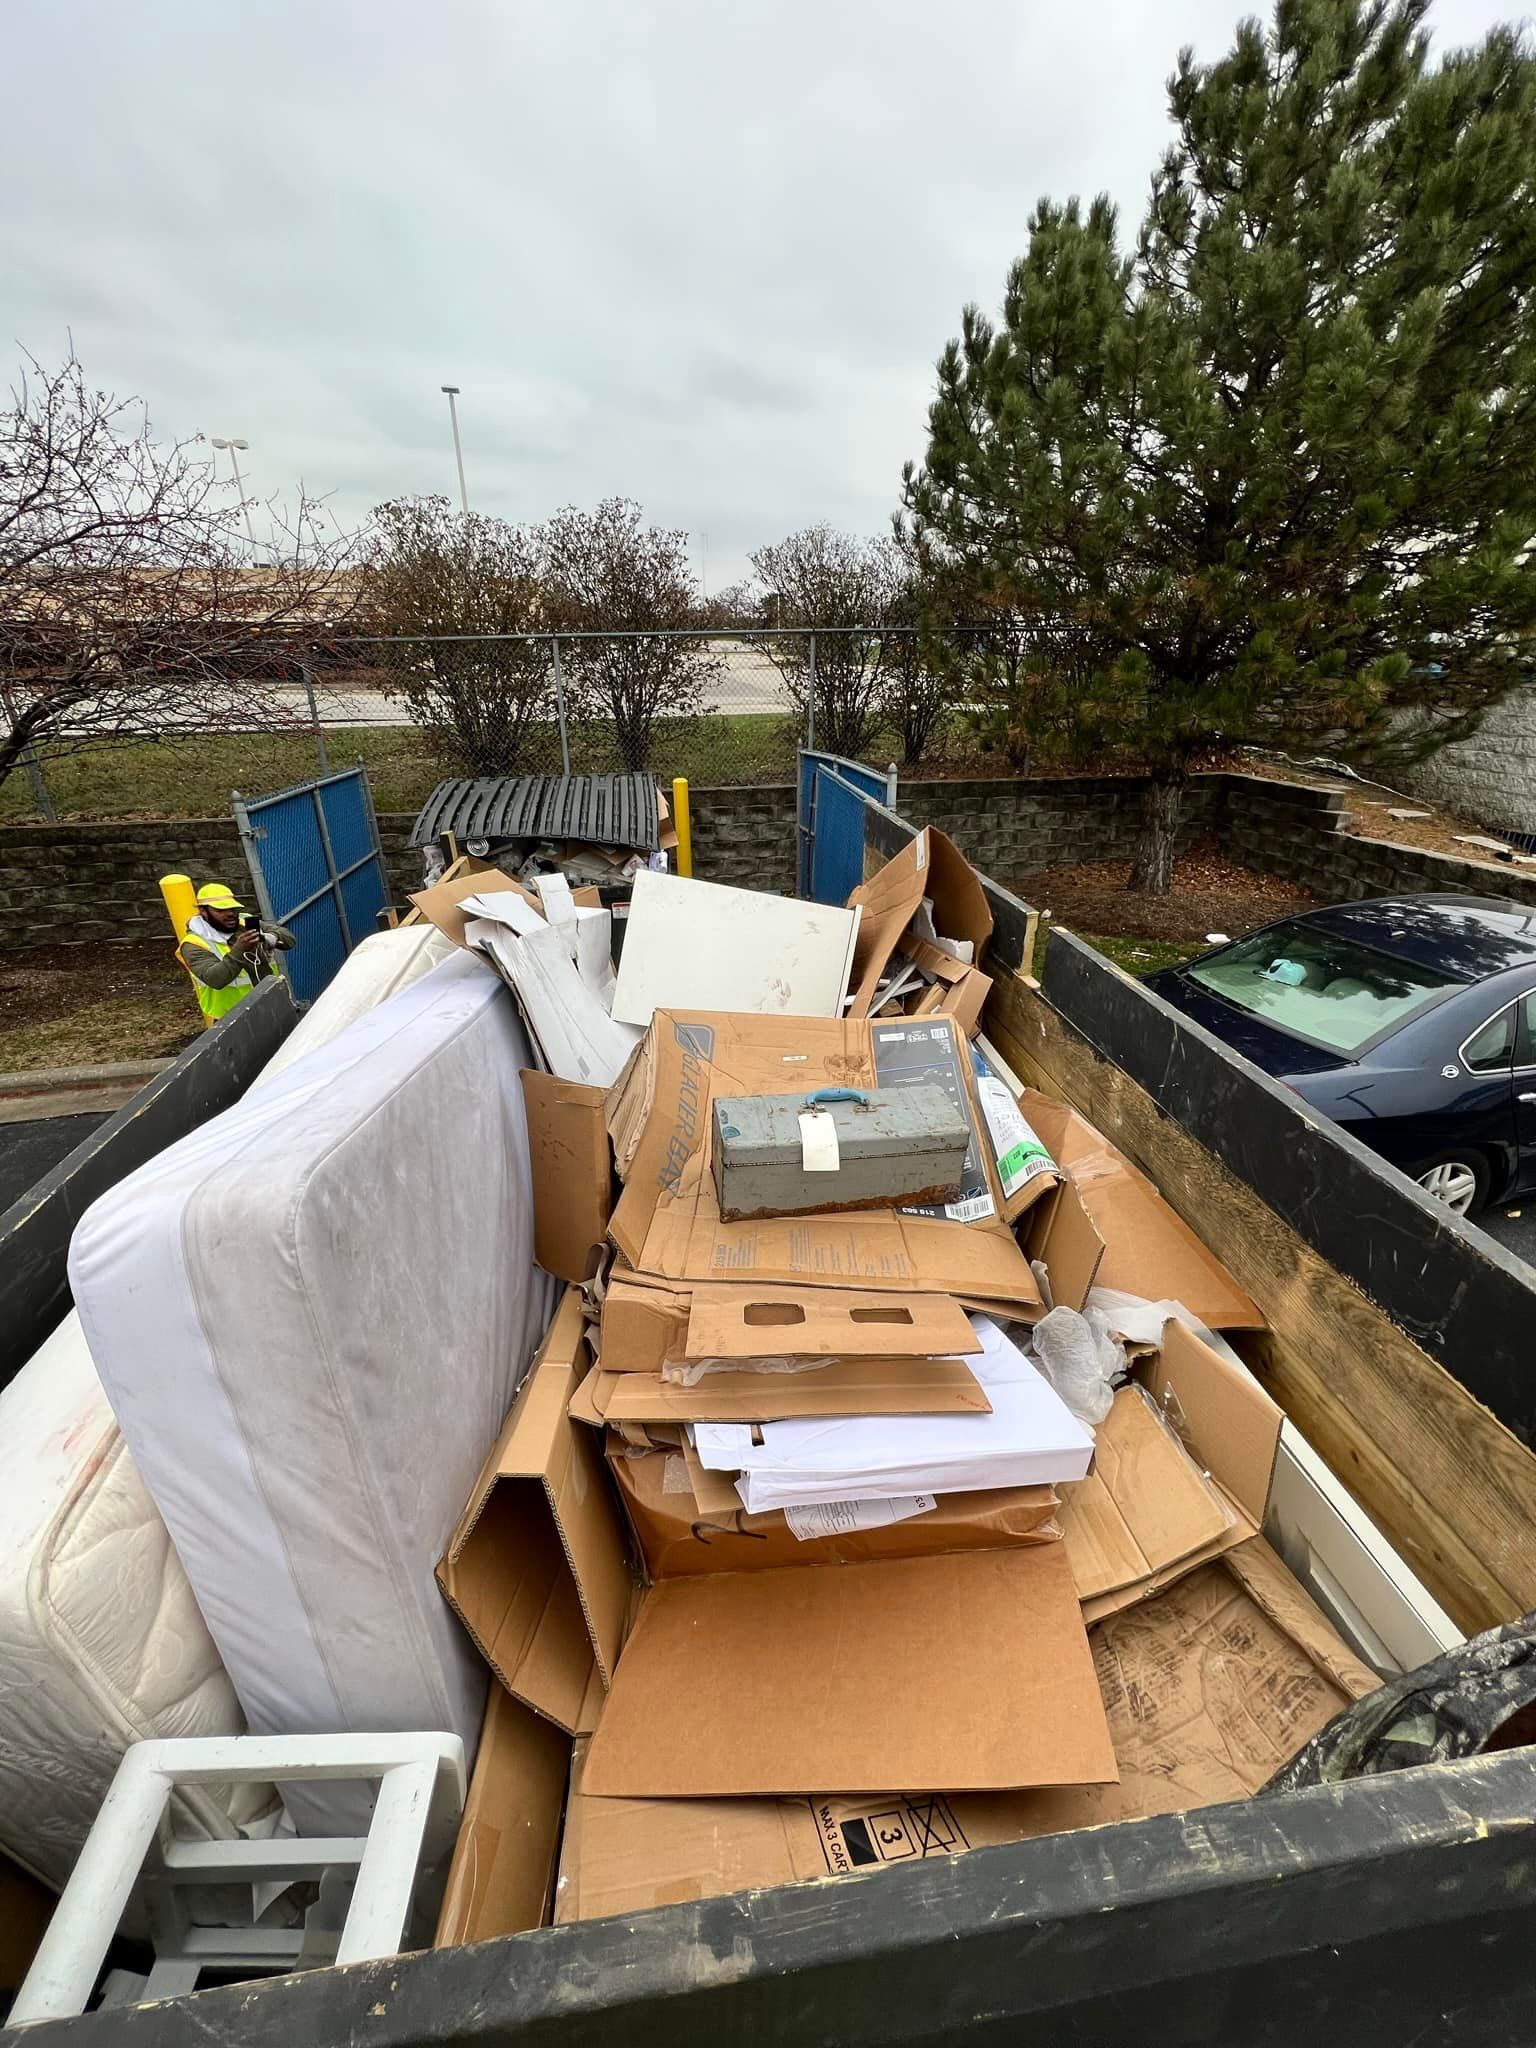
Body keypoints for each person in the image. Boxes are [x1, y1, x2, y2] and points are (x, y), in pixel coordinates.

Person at [176, 882, 295, 1025]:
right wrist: (239, 949)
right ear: (203, 911)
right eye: (220, 910)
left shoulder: (244, 922)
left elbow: (289, 940)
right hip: (232, 1019)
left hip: (271, 1003)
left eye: (232, 908)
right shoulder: (193, 944)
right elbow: (215, 979)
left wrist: (271, 937)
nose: (230, 914)